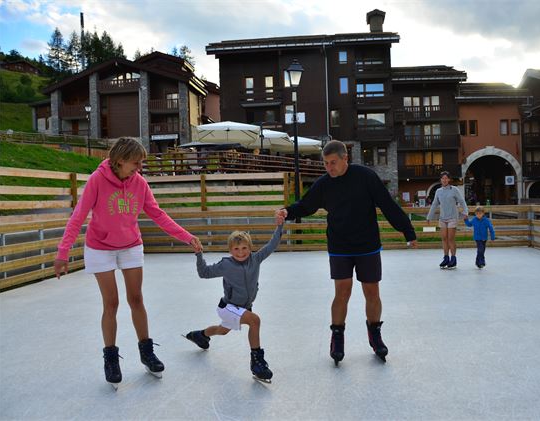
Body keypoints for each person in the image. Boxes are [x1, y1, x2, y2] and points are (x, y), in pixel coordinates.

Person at [54, 137, 202, 390]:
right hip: (100, 247)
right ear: (119, 160)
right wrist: (63, 251)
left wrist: (186, 236)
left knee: (136, 299)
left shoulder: (139, 183)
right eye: (135, 163)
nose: (139, 168)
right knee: (111, 303)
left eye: (141, 163)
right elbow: (79, 216)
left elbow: (157, 214)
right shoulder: (97, 181)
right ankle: (110, 358)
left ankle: (146, 351)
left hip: (131, 244)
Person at [274, 140, 417, 365]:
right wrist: (287, 211)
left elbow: (387, 204)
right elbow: (306, 205)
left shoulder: (366, 177)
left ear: (345, 159)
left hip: (367, 244)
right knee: (342, 291)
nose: (329, 168)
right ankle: (337, 336)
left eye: (333, 163)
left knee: (372, 291)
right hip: (339, 245)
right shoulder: (324, 184)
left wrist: (407, 230)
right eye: (325, 164)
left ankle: (375, 334)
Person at [185, 223, 283, 382]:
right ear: (230, 250)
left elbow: (272, 244)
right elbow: (204, 273)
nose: (241, 252)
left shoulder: (256, 259)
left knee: (222, 330)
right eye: (236, 249)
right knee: (255, 320)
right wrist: (198, 254)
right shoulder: (226, 265)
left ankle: (200, 335)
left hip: (243, 307)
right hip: (228, 307)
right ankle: (257, 363)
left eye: (244, 248)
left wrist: (279, 226)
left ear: (250, 248)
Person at [426, 171, 468, 269]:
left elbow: (462, 201)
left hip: (452, 217)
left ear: (449, 179)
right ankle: (446, 258)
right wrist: (429, 217)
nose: (444, 180)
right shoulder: (438, 191)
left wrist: (465, 212)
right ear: (440, 180)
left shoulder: (454, 190)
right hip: (443, 218)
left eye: (446, 178)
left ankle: (453, 258)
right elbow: (434, 204)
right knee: (444, 238)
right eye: (442, 178)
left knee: (450, 239)